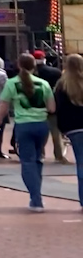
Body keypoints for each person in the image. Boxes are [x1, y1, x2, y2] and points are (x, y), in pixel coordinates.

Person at [0, 53, 57, 212]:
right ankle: (37, 193)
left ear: (18, 65)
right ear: (34, 66)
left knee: (27, 162)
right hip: (41, 125)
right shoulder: (43, 84)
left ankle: (36, 198)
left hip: (23, 125)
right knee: (38, 160)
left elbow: (4, 104)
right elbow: (52, 108)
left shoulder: (12, 83)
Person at [54, 53, 83, 208]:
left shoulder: (62, 84)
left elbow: (58, 107)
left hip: (73, 127)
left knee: (80, 161)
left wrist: (62, 127)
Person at [34, 50, 68, 164]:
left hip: (37, 106)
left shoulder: (32, 74)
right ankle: (59, 155)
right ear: (44, 58)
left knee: (40, 133)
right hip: (53, 104)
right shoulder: (55, 72)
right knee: (56, 132)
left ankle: (40, 154)